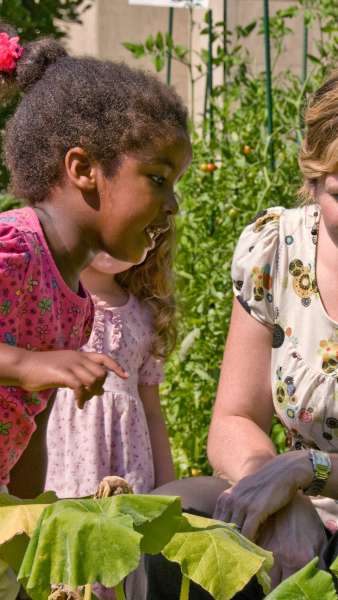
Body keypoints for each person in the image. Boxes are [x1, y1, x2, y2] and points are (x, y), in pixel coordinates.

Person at [0, 17, 191, 600]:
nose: (171, 203)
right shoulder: (10, 247)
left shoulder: (74, 299)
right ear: (82, 169)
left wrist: (28, 523)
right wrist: (26, 364)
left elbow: (29, 430)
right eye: (157, 178)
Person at [126, 70, 338, 600]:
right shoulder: (280, 249)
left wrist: (305, 471)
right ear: (313, 179)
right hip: (302, 503)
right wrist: (276, 491)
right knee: (164, 527)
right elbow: (234, 418)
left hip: (312, 486)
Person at [45, 223, 176, 499]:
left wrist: (168, 488)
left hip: (128, 463)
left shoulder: (147, 316)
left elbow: (152, 410)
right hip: (62, 458)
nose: (114, 239)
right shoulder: (50, 302)